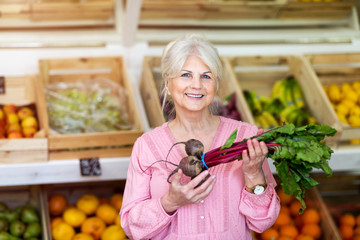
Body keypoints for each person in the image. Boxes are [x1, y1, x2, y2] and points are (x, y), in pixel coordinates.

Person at [120, 34, 280, 240]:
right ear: (168, 84)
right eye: (186, 75)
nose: (197, 85)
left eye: (206, 76)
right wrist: (169, 202)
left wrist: (254, 175)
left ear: (215, 85)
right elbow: (131, 228)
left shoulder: (246, 138)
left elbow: (263, 223)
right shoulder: (147, 146)